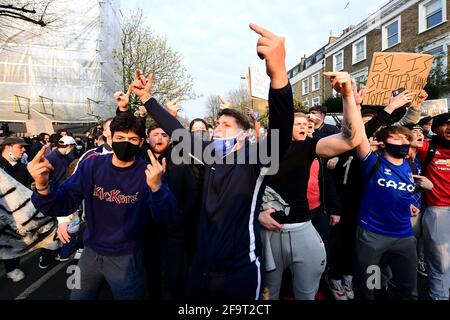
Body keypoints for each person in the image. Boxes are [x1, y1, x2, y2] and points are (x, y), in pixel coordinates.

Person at [131, 23, 295, 300]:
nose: (218, 128)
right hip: (200, 268)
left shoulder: (256, 161)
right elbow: (176, 129)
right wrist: (147, 98)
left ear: (244, 135)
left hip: (240, 272)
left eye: (227, 125)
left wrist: (278, 74)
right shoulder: (209, 155)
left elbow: (281, 129)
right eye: (217, 123)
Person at [28, 113, 178, 300]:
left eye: (132, 139)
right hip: (90, 254)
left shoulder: (149, 173)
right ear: (111, 139)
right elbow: (63, 203)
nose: (126, 143)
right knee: (78, 297)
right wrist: (42, 186)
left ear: (141, 143)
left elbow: (168, 218)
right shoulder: (92, 165)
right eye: (120, 138)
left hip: (127, 258)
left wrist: (157, 188)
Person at [354, 124, 433, 300]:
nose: (403, 142)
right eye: (397, 138)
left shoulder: (410, 167)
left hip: (404, 236)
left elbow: (401, 191)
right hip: (373, 236)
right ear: (382, 143)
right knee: (370, 287)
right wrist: (351, 100)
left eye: (406, 138)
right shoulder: (373, 162)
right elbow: (358, 132)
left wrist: (422, 190)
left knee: (408, 288)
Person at [417, 112, 450, 300]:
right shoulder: (427, 148)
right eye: (446, 124)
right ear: (435, 128)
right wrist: (414, 107)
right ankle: (439, 296)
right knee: (440, 263)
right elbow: (397, 134)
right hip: (439, 211)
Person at [0, 137, 33, 282]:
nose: (24, 150)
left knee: (13, 242)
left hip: (15, 216)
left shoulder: (24, 168)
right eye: (20, 147)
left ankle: (11, 268)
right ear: (8, 147)